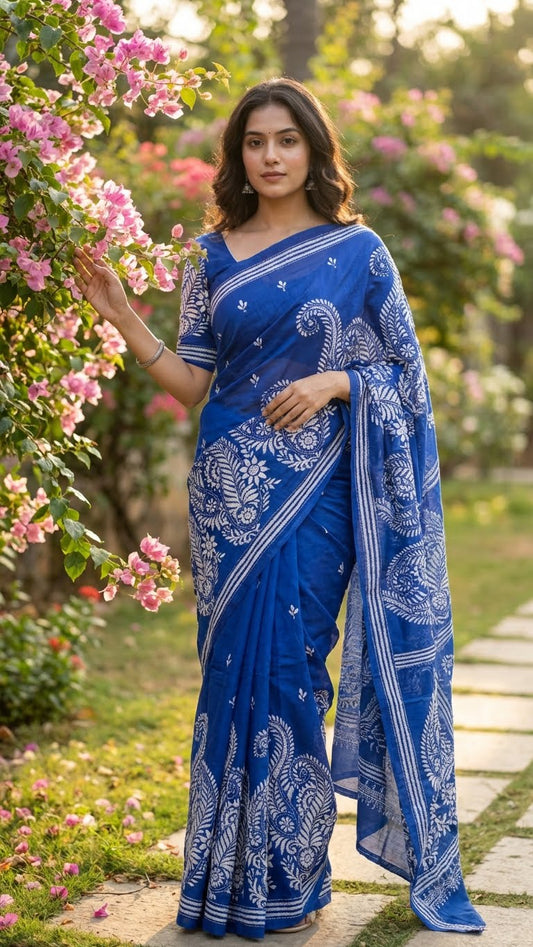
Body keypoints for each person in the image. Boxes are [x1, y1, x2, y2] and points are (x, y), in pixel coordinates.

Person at [74, 77, 485, 940]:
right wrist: (116, 314)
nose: (268, 156)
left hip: (319, 496)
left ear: (311, 149)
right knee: (232, 680)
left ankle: (288, 876)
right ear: (237, 155)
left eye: (285, 141)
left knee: (292, 670)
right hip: (228, 498)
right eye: (253, 142)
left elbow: (406, 380)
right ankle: (222, 882)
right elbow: (191, 383)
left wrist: (339, 379)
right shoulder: (208, 256)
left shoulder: (358, 250)